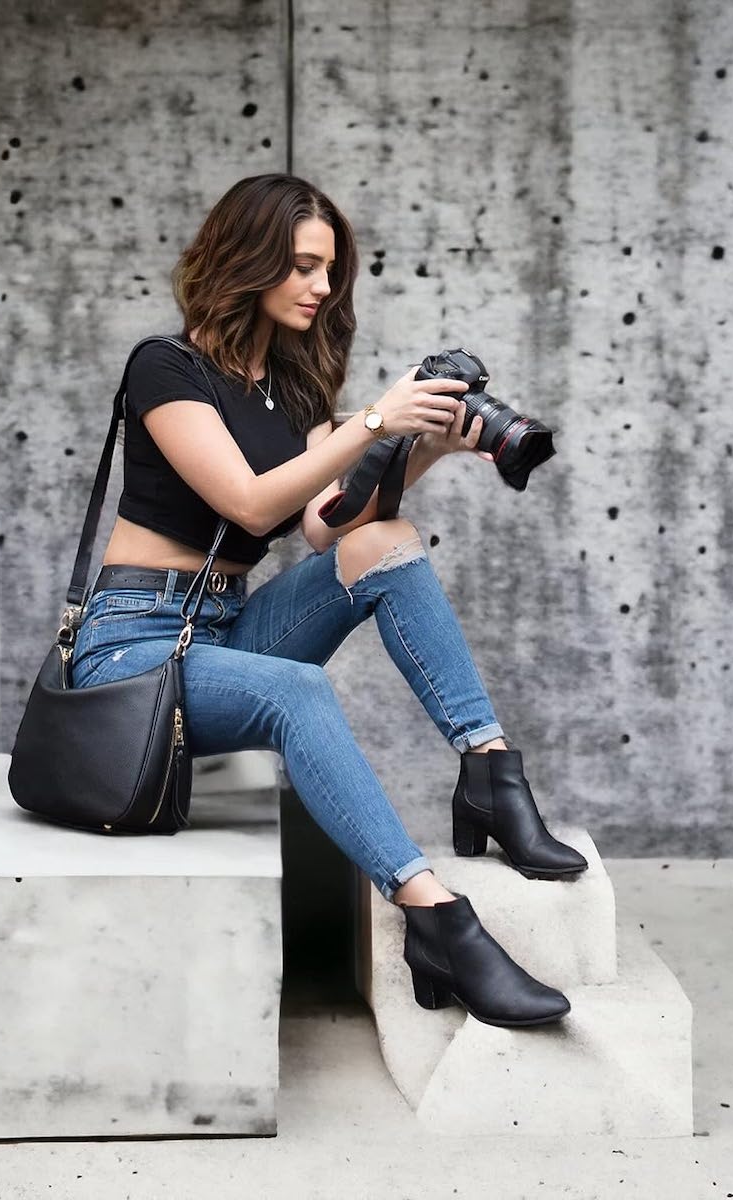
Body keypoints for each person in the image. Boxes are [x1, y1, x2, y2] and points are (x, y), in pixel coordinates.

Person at [72, 174, 588, 1027]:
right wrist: (378, 419)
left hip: (230, 631)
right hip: (135, 652)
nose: (322, 287)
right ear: (250, 259)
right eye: (306, 267)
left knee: (385, 540)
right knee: (300, 691)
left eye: (330, 272)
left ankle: (490, 774)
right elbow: (246, 501)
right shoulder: (164, 368)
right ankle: (436, 918)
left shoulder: (293, 390)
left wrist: (425, 446)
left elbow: (329, 524)